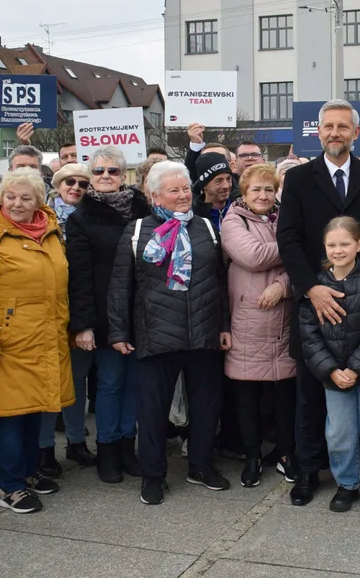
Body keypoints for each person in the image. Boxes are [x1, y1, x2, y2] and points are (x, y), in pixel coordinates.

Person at [277, 99, 360, 508]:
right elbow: (288, 240)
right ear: (318, 132)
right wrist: (311, 288)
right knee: (312, 396)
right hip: (315, 301)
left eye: (342, 126)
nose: (334, 133)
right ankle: (308, 472)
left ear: (355, 132)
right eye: (327, 126)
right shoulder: (298, 180)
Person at [107, 161, 233, 506]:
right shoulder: (137, 232)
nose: (182, 196)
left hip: (203, 332)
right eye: (174, 190)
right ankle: (152, 475)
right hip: (156, 333)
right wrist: (119, 331)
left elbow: (220, 282)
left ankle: (201, 466)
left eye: (185, 189)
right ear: (154, 195)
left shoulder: (206, 227)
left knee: (207, 406)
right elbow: (120, 286)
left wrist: (223, 325)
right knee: (152, 410)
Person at [0, 168, 73, 514]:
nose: (17, 204)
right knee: (7, 417)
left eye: (25, 197)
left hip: (44, 340)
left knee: (34, 411)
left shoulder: (51, 234)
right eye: (10, 196)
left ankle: (28, 472)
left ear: (39, 201)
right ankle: (9, 486)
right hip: (5, 346)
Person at [66, 147, 152, 484]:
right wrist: (84, 325)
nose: (105, 177)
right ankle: (108, 450)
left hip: (140, 312)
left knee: (134, 384)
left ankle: (128, 448)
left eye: (112, 171)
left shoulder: (142, 210)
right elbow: (79, 276)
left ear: (124, 175)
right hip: (104, 315)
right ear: (91, 178)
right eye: (99, 171)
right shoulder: (80, 217)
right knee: (110, 384)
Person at [300, 216, 360, 515]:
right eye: (332, 245)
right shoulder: (316, 286)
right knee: (339, 430)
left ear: (359, 245)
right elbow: (309, 334)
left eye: (344, 244)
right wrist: (330, 369)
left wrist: (356, 368)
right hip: (333, 374)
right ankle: (347, 483)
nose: (338, 250)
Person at [221, 164, 298, 486]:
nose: (263, 195)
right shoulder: (232, 220)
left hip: (284, 316)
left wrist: (283, 285)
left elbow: (304, 268)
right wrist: (296, 245)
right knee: (247, 395)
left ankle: (285, 453)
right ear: (244, 192)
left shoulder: (287, 217)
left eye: (269, 189)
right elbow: (251, 256)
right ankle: (252, 456)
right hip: (247, 320)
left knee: (285, 394)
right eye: (256, 189)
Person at [36, 161, 94, 477]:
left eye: (83, 184)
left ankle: (76, 440)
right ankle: (45, 447)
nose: (76, 188)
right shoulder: (41, 219)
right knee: (50, 385)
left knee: (76, 383)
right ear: (58, 185)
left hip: (80, 311)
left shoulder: (92, 218)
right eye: (70, 182)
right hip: (48, 314)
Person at [193, 153, 234, 235]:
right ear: (204, 185)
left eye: (228, 179)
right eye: (218, 181)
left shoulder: (242, 210)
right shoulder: (193, 217)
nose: (226, 186)